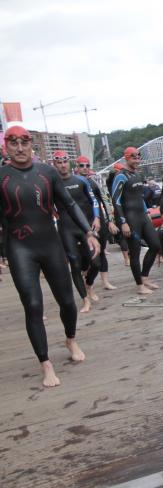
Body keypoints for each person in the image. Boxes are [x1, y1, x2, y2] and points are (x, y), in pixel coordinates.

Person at [1, 125, 100, 387]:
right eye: (14, 143)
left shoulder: (47, 173)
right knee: (33, 305)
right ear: (6, 147)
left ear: (31, 145)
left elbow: (68, 204)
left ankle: (70, 338)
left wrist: (89, 232)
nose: (20, 148)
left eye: (24, 142)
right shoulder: (1, 176)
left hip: (50, 245)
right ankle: (45, 364)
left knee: (68, 303)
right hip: (19, 248)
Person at [52, 150, 100, 313]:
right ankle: (85, 300)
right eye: (59, 162)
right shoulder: (53, 184)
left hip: (84, 226)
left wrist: (97, 218)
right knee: (75, 264)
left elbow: (94, 201)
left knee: (96, 263)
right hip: (66, 228)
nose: (63, 165)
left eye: (65, 161)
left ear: (69, 163)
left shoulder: (80, 181)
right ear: (54, 164)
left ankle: (89, 285)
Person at [112, 146, 161, 294]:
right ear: (127, 158)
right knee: (135, 252)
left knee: (155, 244)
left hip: (142, 216)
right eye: (134, 157)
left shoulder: (138, 175)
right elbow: (116, 201)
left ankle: (144, 276)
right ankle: (139, 285)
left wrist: (146, 213)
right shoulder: (121, 176)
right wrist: (123, 222)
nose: (137, 159)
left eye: (139, 157)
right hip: (130, 218)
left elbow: (140, 198)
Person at [76, 155, 118, 296]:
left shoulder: (94, 183)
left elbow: (105, 201)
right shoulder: (74, 182)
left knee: (102, 251)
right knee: (87, 255)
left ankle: (105, 281)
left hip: (98, 220)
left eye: (87, 165)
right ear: (77, 167)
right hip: (84, 222)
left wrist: (110, 220)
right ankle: (89, 285)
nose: (85, 168)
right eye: (82, 165)